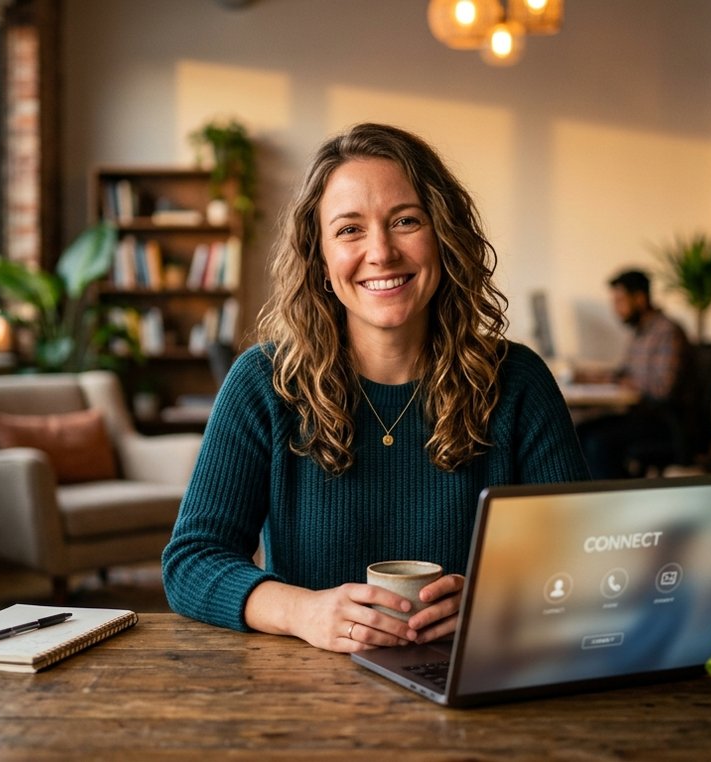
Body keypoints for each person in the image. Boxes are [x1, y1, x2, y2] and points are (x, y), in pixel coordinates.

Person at [161, 123, 589, 653]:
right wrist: (303, 611)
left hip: (479, 681)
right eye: (349, 230)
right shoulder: (263, 384)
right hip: (310, 696)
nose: (381, 253)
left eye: (405, 221)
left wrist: (497, 598)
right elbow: (192, 561)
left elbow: (576, 558)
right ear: (320, 261)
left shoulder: (518, 381)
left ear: (444, 236)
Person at [576, 269, 695, 479]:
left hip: (665, 422)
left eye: (620, 301)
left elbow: (663, 390)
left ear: (640, 298)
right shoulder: (639, 333)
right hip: (641, 416)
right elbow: (624, 373)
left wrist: (620, 381)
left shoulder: (667, 331)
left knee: (597, 443)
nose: (616, 309)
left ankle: (617, 499)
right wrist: (592, 376)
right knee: (579, 432)